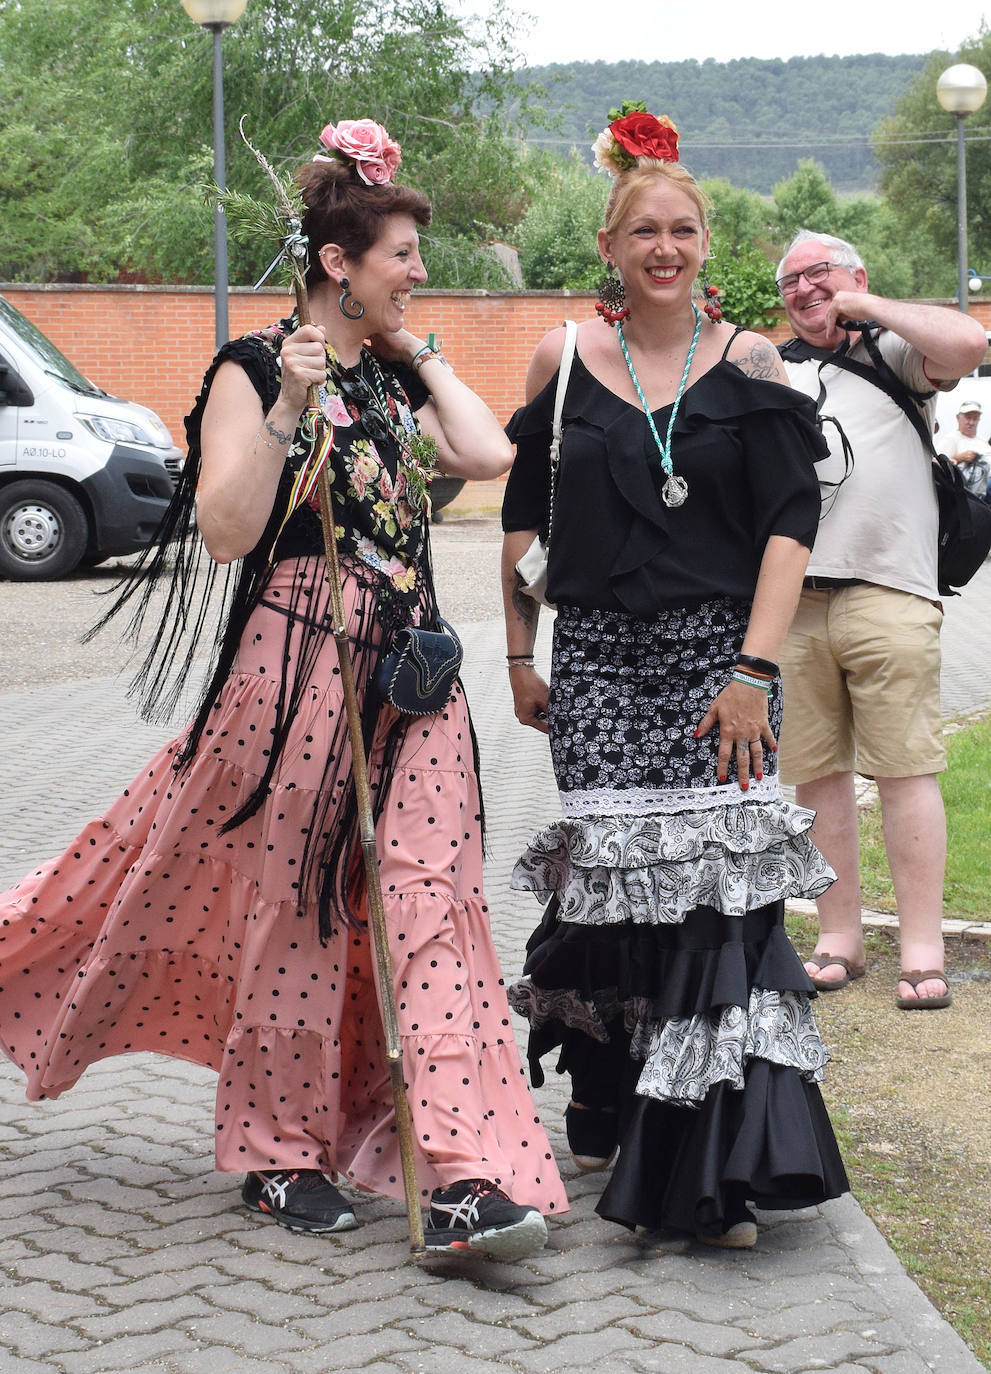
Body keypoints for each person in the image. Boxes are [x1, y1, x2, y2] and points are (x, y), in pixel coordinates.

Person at [0, 117, 567, 1259]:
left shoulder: (394, 381)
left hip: (417, 677)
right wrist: (293, 402)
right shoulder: (251, 369)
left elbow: (491, 456)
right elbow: (226, 528)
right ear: (339, 263)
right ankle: (278, 1150)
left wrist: (414, 346)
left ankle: (457, 1170)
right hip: (297, 672)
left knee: (432, 903)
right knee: (298, 907)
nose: (420, 272)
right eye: (403, 255)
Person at [499, 105, 847, 1249]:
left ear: (706, 245)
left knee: (718, 905)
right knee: (612, 890)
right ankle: (604, 1095)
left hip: (718, 662)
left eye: (683, 230)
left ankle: (707, 1166)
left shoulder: (748, 361)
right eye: (642, 230)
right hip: (596, 660)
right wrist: (516, 653)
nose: (664, 247)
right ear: (607, 247)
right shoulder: (562, 358)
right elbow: (518, 518)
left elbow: (789, 526)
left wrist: (753, 666)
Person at [774, 229, 987, 1010]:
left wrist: (858, 306)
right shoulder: (767, 363)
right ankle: (838, 937)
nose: (803, 289)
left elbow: (968, 340)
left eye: (819, 274)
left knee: (904, 771)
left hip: (890, 589)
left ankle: (922, 947)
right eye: (790, 280)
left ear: (857, 276)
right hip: (792, 603)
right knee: (815, 775)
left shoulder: (893, 353)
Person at [940, 400, 991, 499]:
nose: (971, 422)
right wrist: (958, 459)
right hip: (960, 493)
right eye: (968, 417)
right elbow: (935, 467)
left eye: (975, 418)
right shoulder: (950, 439)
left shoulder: (984, 445)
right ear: (958, 418)